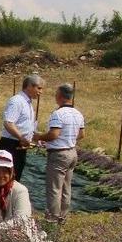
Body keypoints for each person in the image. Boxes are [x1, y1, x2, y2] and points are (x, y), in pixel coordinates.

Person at [34, 83, 85, 223]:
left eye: (56, 93)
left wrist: (39, 137)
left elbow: (54, 134)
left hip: (59, 154)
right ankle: (63, 216)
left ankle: (52, 219)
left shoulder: (58, 114)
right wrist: (67, 138)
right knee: (66, 187)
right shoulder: (78, 113)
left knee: (54, 188)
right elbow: (81, 134)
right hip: (72, 152)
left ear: (60, 96)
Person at [0, 74, 43, 181]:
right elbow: (8, 123)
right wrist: (21, 138)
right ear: (29, 86)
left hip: (20, 145)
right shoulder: (17, 101)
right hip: (11, 145)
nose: (41, 92)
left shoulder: (28, 103)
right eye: (39, 88)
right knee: (5, 179)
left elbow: (24, 125)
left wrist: (36, 138)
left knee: (15, 178)